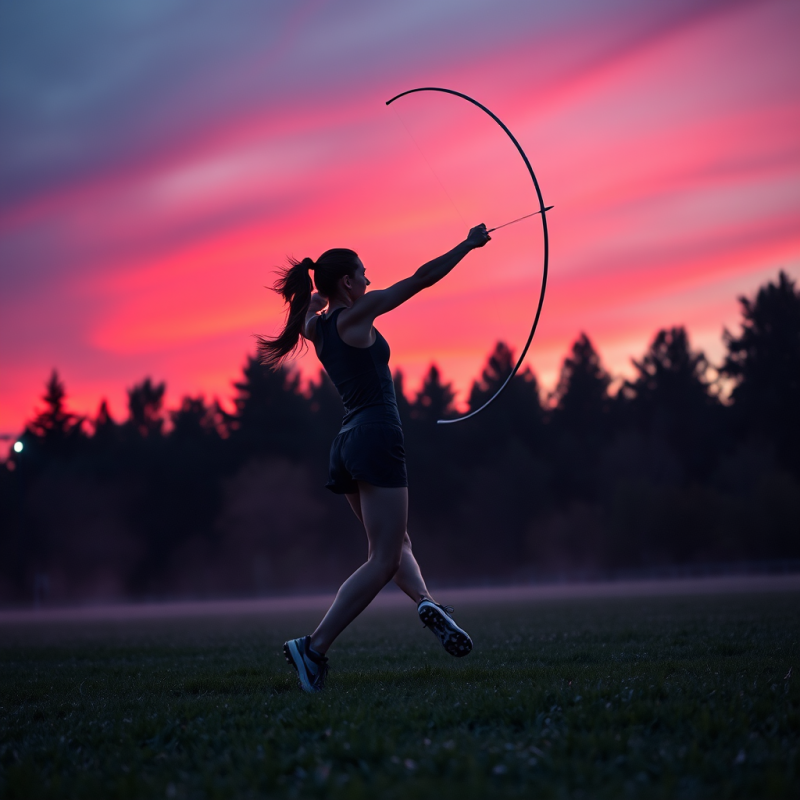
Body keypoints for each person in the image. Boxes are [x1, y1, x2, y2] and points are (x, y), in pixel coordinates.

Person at [257, 224, 491, 692]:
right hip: (377, 433)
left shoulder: (316, 325)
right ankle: (313, 647)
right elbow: (420, 280)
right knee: (382, 559)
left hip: (346, 442)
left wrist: (315, 298)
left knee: (394, 542)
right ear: (347, 283)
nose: (368, 279)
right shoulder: (354, 315)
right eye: (362, 273)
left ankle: (427, 603)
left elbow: (306, 307)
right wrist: (467, 245)